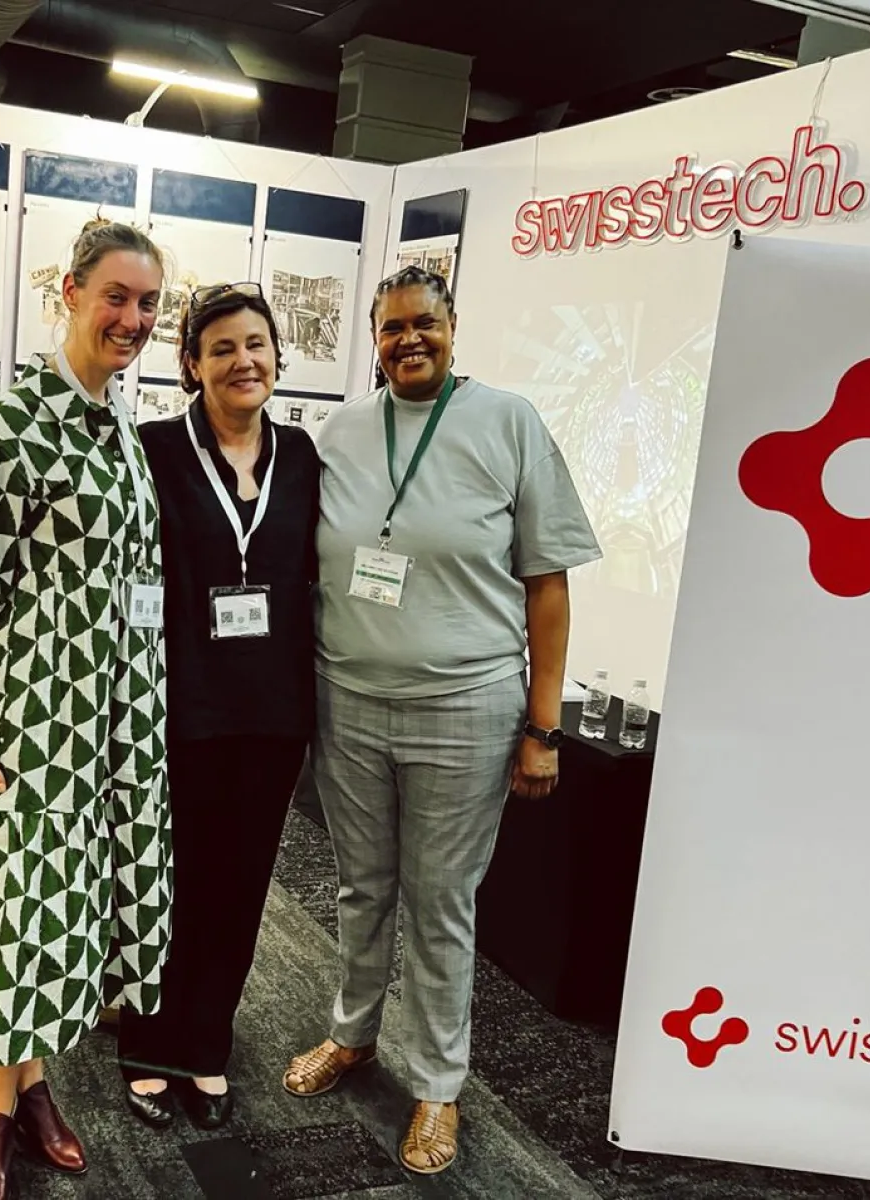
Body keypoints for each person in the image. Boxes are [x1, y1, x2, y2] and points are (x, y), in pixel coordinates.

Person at [281, 265, 602, 1175]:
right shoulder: (341, 430)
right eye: (390, 329)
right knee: (360, 885)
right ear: (373, 338)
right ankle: (353, 1035)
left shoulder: (508, 422)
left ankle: (436, 1084)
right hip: (347, 699)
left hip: (467, 705)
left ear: (453, 327)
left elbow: (549, 584)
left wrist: (543, 727)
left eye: (424, 324)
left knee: (440, 902)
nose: (407, 340)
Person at [0, 220, 171, 1200]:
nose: (132, 318)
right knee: (9, 914)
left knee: (66, 915)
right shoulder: (14, 420)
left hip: (107, 723)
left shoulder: (113, 425)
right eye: (115, 296)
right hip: (26, 720)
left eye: (147, 303)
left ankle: (35, 1089)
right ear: (69, 291)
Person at [119, 283, 320, 1130]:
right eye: (225, 348)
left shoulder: (303, 454)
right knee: (173, 880)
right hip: (183, 703)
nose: (245, 361)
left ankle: (207, 1046)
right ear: (192, 364)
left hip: (272, 711)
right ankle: (147, 1044)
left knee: (241, 886)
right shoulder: (154, 448)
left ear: (277, 356)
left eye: (258, 345)